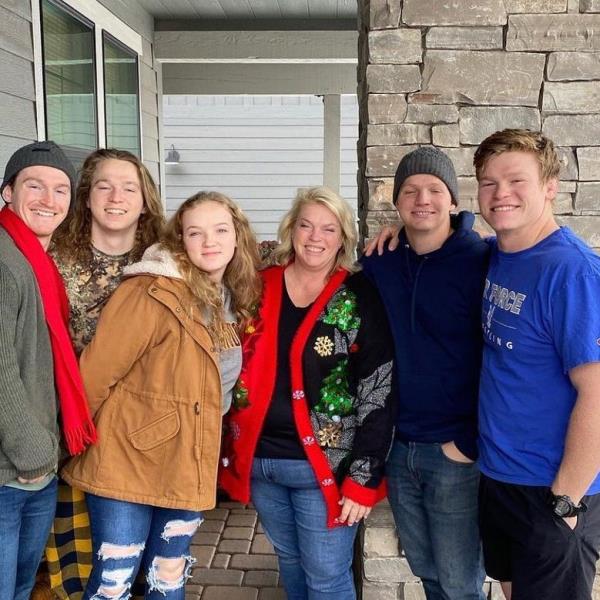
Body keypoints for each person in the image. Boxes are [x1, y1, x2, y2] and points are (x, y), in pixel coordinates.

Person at [62, 191, 262, 599]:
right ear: (180, 241)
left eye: (221, 230)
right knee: (114, 582)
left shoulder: (226, 296)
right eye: (196, 232)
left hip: (187, 458)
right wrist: (69, 442)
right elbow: (96, 374)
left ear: (237, 236)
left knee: (168, 575)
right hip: (125, 459)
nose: (210, 241)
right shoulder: (150, 291)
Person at [219, 186, 395, 599]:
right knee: (291, 563)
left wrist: (362, 477)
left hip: (325, 470)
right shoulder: (258, 287)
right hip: (263, 462)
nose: (315, 237)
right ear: (291, 230)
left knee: (327, 578)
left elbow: (378, 386)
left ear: (342, 238)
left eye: (328, 229)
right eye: (306, 225)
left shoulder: (359, 295)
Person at [474, 129, 600, 600]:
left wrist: (566, 500)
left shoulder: (573, 272)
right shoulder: (499, 255)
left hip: (552, 489)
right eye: (488, 182)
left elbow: (598, 393)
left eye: (516, 180)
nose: (500, 193)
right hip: (500, 477)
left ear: (550, 187)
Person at [362, 147, 488, 599]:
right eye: (410, 190)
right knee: (425, 568)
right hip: (398, 447)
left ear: (453, 201)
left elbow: (500, 360)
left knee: (460, 581)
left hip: (453, 452)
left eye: (435, 189)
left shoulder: (481, 261)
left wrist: (468, 443)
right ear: (396, 202)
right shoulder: (383, 262)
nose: (423, 199)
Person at [41, 148, 165, 599]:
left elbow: (232, 254)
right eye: (104, 186)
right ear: (86, 197)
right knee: (78, 564)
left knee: (138, 562)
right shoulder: (52, 255)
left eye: (129, 186)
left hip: (140, 435)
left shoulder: (166, 261)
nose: (117, 197)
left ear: (145, 199)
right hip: (68, 427)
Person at [0, 140, 97, 599]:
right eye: (34, 186)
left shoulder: (35, 263)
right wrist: (33, 450)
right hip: (12, 469)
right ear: (7, 193)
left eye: (61, 190)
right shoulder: (5, 262)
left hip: (34, 467)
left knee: (20, 586)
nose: (48, 200)